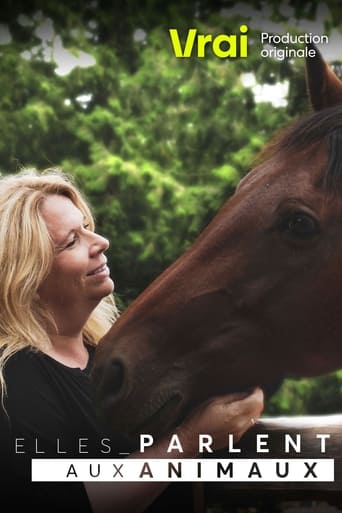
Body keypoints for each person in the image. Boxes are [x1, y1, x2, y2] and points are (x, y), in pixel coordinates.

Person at [0, 168, 264, 513]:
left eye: (87, 229)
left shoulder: (113, 359)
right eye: (71, 241)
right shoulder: (15, 379)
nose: (100, 242)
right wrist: (190, 440)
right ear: (27, 278)